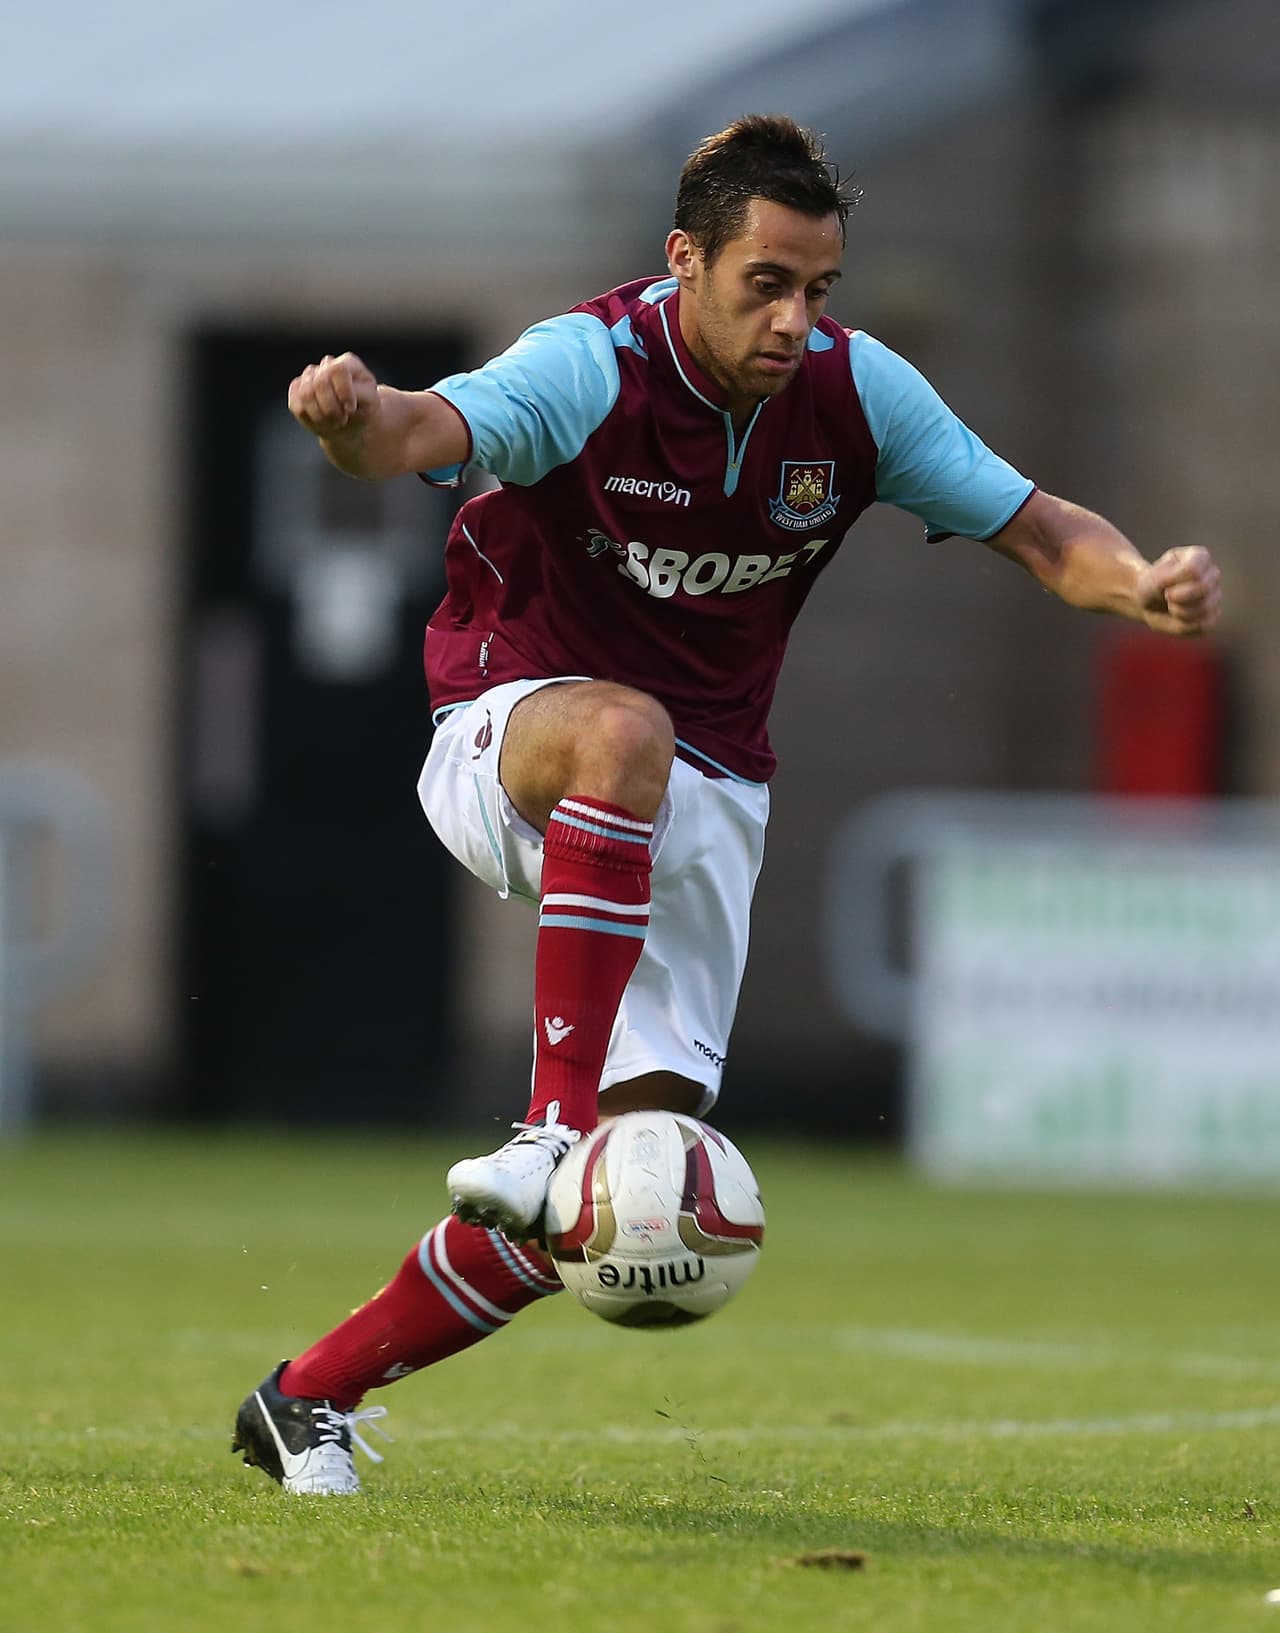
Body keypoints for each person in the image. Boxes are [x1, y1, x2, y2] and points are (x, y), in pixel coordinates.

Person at [230, 114, 1222, 1494]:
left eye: (820, 290)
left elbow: (1045, 531)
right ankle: (541, 1123)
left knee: (609, 1207)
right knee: (624, 735)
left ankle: (302, 1399)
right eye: (768, 282)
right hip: (511, 728)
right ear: (684, 261)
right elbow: (415, 432)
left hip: (707, 800)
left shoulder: (860, 399)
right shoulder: (590, 363)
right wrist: (347, 424)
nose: (796, 318)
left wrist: (1145, 586)